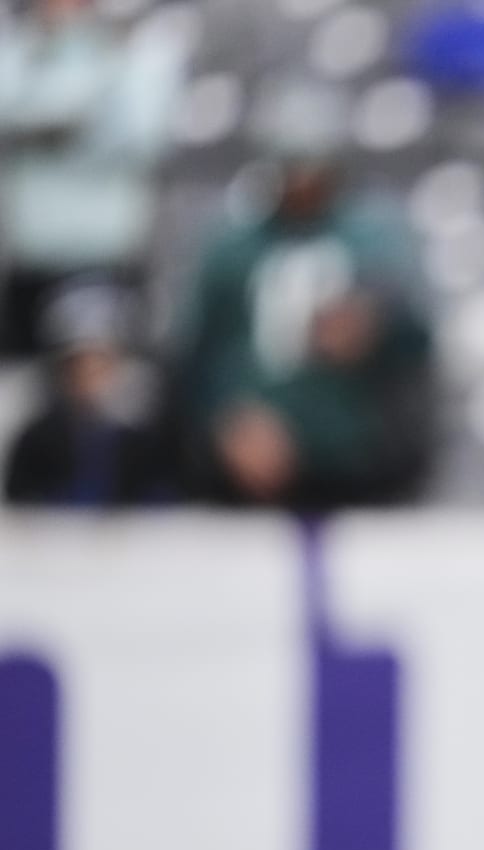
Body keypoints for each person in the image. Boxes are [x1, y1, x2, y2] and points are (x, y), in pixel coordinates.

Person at [164, 80, 437, 511]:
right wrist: (225, 420)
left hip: (354, 459)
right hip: (245, 460)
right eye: (291, 166)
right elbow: (196, 352)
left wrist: (375, 326)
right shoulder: (231, 246)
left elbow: (418, 337)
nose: (302, 181)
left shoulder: (378, 240)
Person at [0, 0, 187, 358]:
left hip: (107, 257)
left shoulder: (134, 49)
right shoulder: (19, 47)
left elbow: (145, 136)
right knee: (24, 391)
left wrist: (48, 128)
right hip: (32, 259)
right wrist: (82, 112)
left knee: (108, 389)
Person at [3, 281, 171, 506]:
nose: (88, 378)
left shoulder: (151, 439)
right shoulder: (36, 440)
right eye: (76, 366)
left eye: (100, 364)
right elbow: (22, 503)